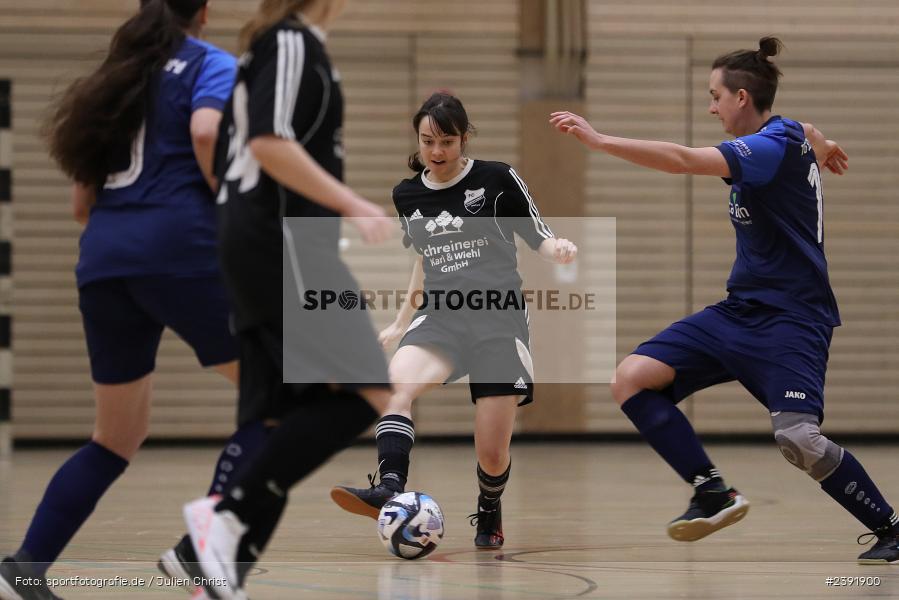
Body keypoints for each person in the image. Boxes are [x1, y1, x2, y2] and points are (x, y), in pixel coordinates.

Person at [551, 36, 898, 564]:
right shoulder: (786, 132)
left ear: (741, 98)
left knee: (799, 441)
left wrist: (599, 141)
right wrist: (823, 146)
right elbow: (807, 130)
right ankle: (712, 491)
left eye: (715, 96)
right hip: (739, 312)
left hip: (792, 319)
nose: (711, 107)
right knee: (631, 378)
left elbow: (680, 160)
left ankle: (890, 526)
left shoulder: (763, 149)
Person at [0, 2, 255, 599]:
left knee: (115, 437)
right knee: (282, 392)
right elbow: (205, 131)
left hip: (104, 261)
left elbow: (79, 206)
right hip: (179, 249)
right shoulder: (209, 63)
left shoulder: (114, 76)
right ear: (205, 13)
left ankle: (24, 571)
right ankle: (200, 548)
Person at [178, 1, 393, 598]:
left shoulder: (268, 49)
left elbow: (227, 159)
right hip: (285, 242)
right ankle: (221, 517)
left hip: (253, 240)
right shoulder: (291, 42)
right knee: (368, 390)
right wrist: (353, 203)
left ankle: (216, 572)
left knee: (273, 418)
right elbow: (270, 143)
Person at [330, 92, 578, 550]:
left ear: (464, 138)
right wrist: (401, 322)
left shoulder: (497, 178)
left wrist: (557, 247)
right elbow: (424, 261)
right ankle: (390, 485)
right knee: (393, 389)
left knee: (492, 450)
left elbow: (535, 233)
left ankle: (488, 505)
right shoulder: (407, 194)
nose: (437, 151)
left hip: (497, 320)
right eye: (428, 141)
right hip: (440, 316)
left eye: (447, 141)